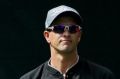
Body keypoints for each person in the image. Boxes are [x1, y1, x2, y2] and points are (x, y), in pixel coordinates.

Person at [20, 5, 115, 79]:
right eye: (59, 28)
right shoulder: (30, 78)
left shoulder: (102, 76)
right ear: (47, 36)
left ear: (79, 35)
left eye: (73, 28)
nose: (66, 33)